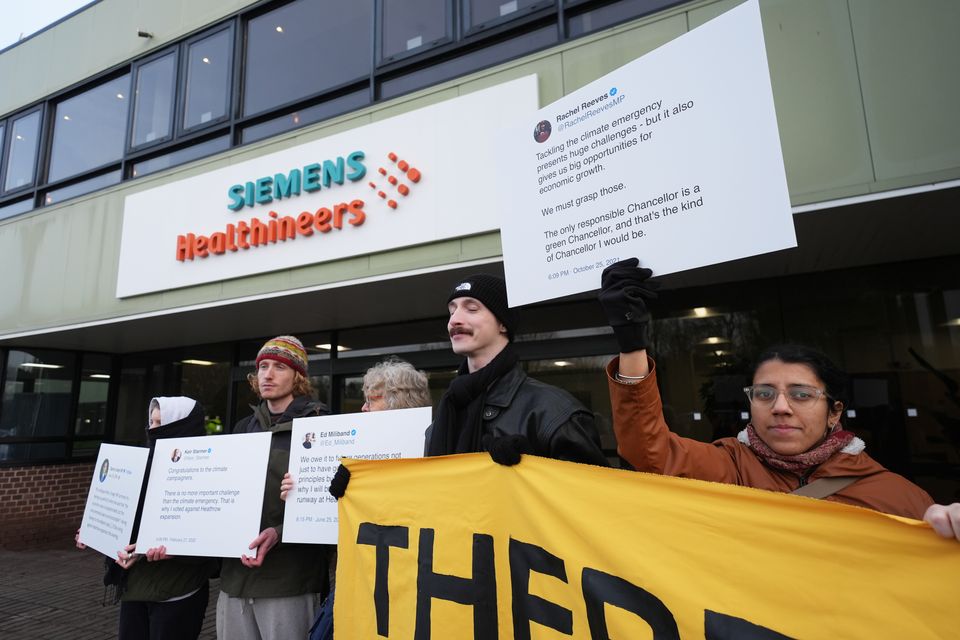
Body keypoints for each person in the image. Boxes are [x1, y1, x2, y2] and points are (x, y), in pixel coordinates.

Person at [598, 258, 960, 540]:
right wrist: (631, 342)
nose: (780, 406)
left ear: (835, 412)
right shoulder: (731, 468)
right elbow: (649, 451)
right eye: (764, 393)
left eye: (801, 395)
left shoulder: (901, 498)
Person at [280, 356, 433, 640]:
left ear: (399, 402)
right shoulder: (357, 449)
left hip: (406, 584)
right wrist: (299, 491)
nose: (362, 408)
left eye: (371, 400)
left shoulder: (434, 451)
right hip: (356, 576)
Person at [423, 273, 608, 466]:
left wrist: (530, 468)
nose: (454, 320)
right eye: (452, 312)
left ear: (503, 323)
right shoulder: (440, 424)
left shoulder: (554, 413)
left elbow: (592, 492)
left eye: (471, 309)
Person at [76, 396, 219, 640]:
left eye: (160, 423)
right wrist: (96, 531)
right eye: (151, 422)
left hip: (178, 591)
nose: (152, 430)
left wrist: (175, 548)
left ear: (181, 426)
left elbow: (211, 544)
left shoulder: (209, 471)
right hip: (135, 588)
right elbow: (123, 518)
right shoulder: (138, 464)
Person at [217, 336, 332, 640]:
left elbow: (329, 503)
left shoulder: (320, 426)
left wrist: (281, 530)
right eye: (263, 366)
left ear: (298, 376)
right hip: (234, 579)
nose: (267, 374)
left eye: (279, 367)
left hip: (288, 579)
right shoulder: (243, 427)